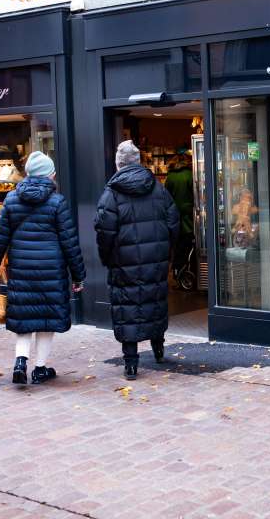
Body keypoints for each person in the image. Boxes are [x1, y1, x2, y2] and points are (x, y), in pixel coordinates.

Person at [0, 152, 86, 385]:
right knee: (46, 320)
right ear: (51, 175)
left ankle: (20, 362)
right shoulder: (57, 201)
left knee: (25, 317)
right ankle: (39, 369)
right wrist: (78, 276)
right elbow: (69, 242)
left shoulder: (11, 199)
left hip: (22, 269)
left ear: (27, 174)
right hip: (51, 270)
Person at [95, 140, 179, 380]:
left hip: (124, 261)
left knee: (128, 308)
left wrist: (108, 258)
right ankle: (159, 349)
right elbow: (173, 222)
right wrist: (166, 251)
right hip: (156, 259)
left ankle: (131, 362)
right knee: (154, 301)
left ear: (119, 164)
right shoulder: (158, 188)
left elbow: (104, 231)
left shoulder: (111, 193)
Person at [164, 148, 195, 279]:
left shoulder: (170, 176)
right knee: (189, 245)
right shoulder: (190, 174)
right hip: (189, 216)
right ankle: (188, 270)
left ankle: (177, 271)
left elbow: (166, 197)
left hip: (174, 216)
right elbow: (195, 195)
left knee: (177, 246)